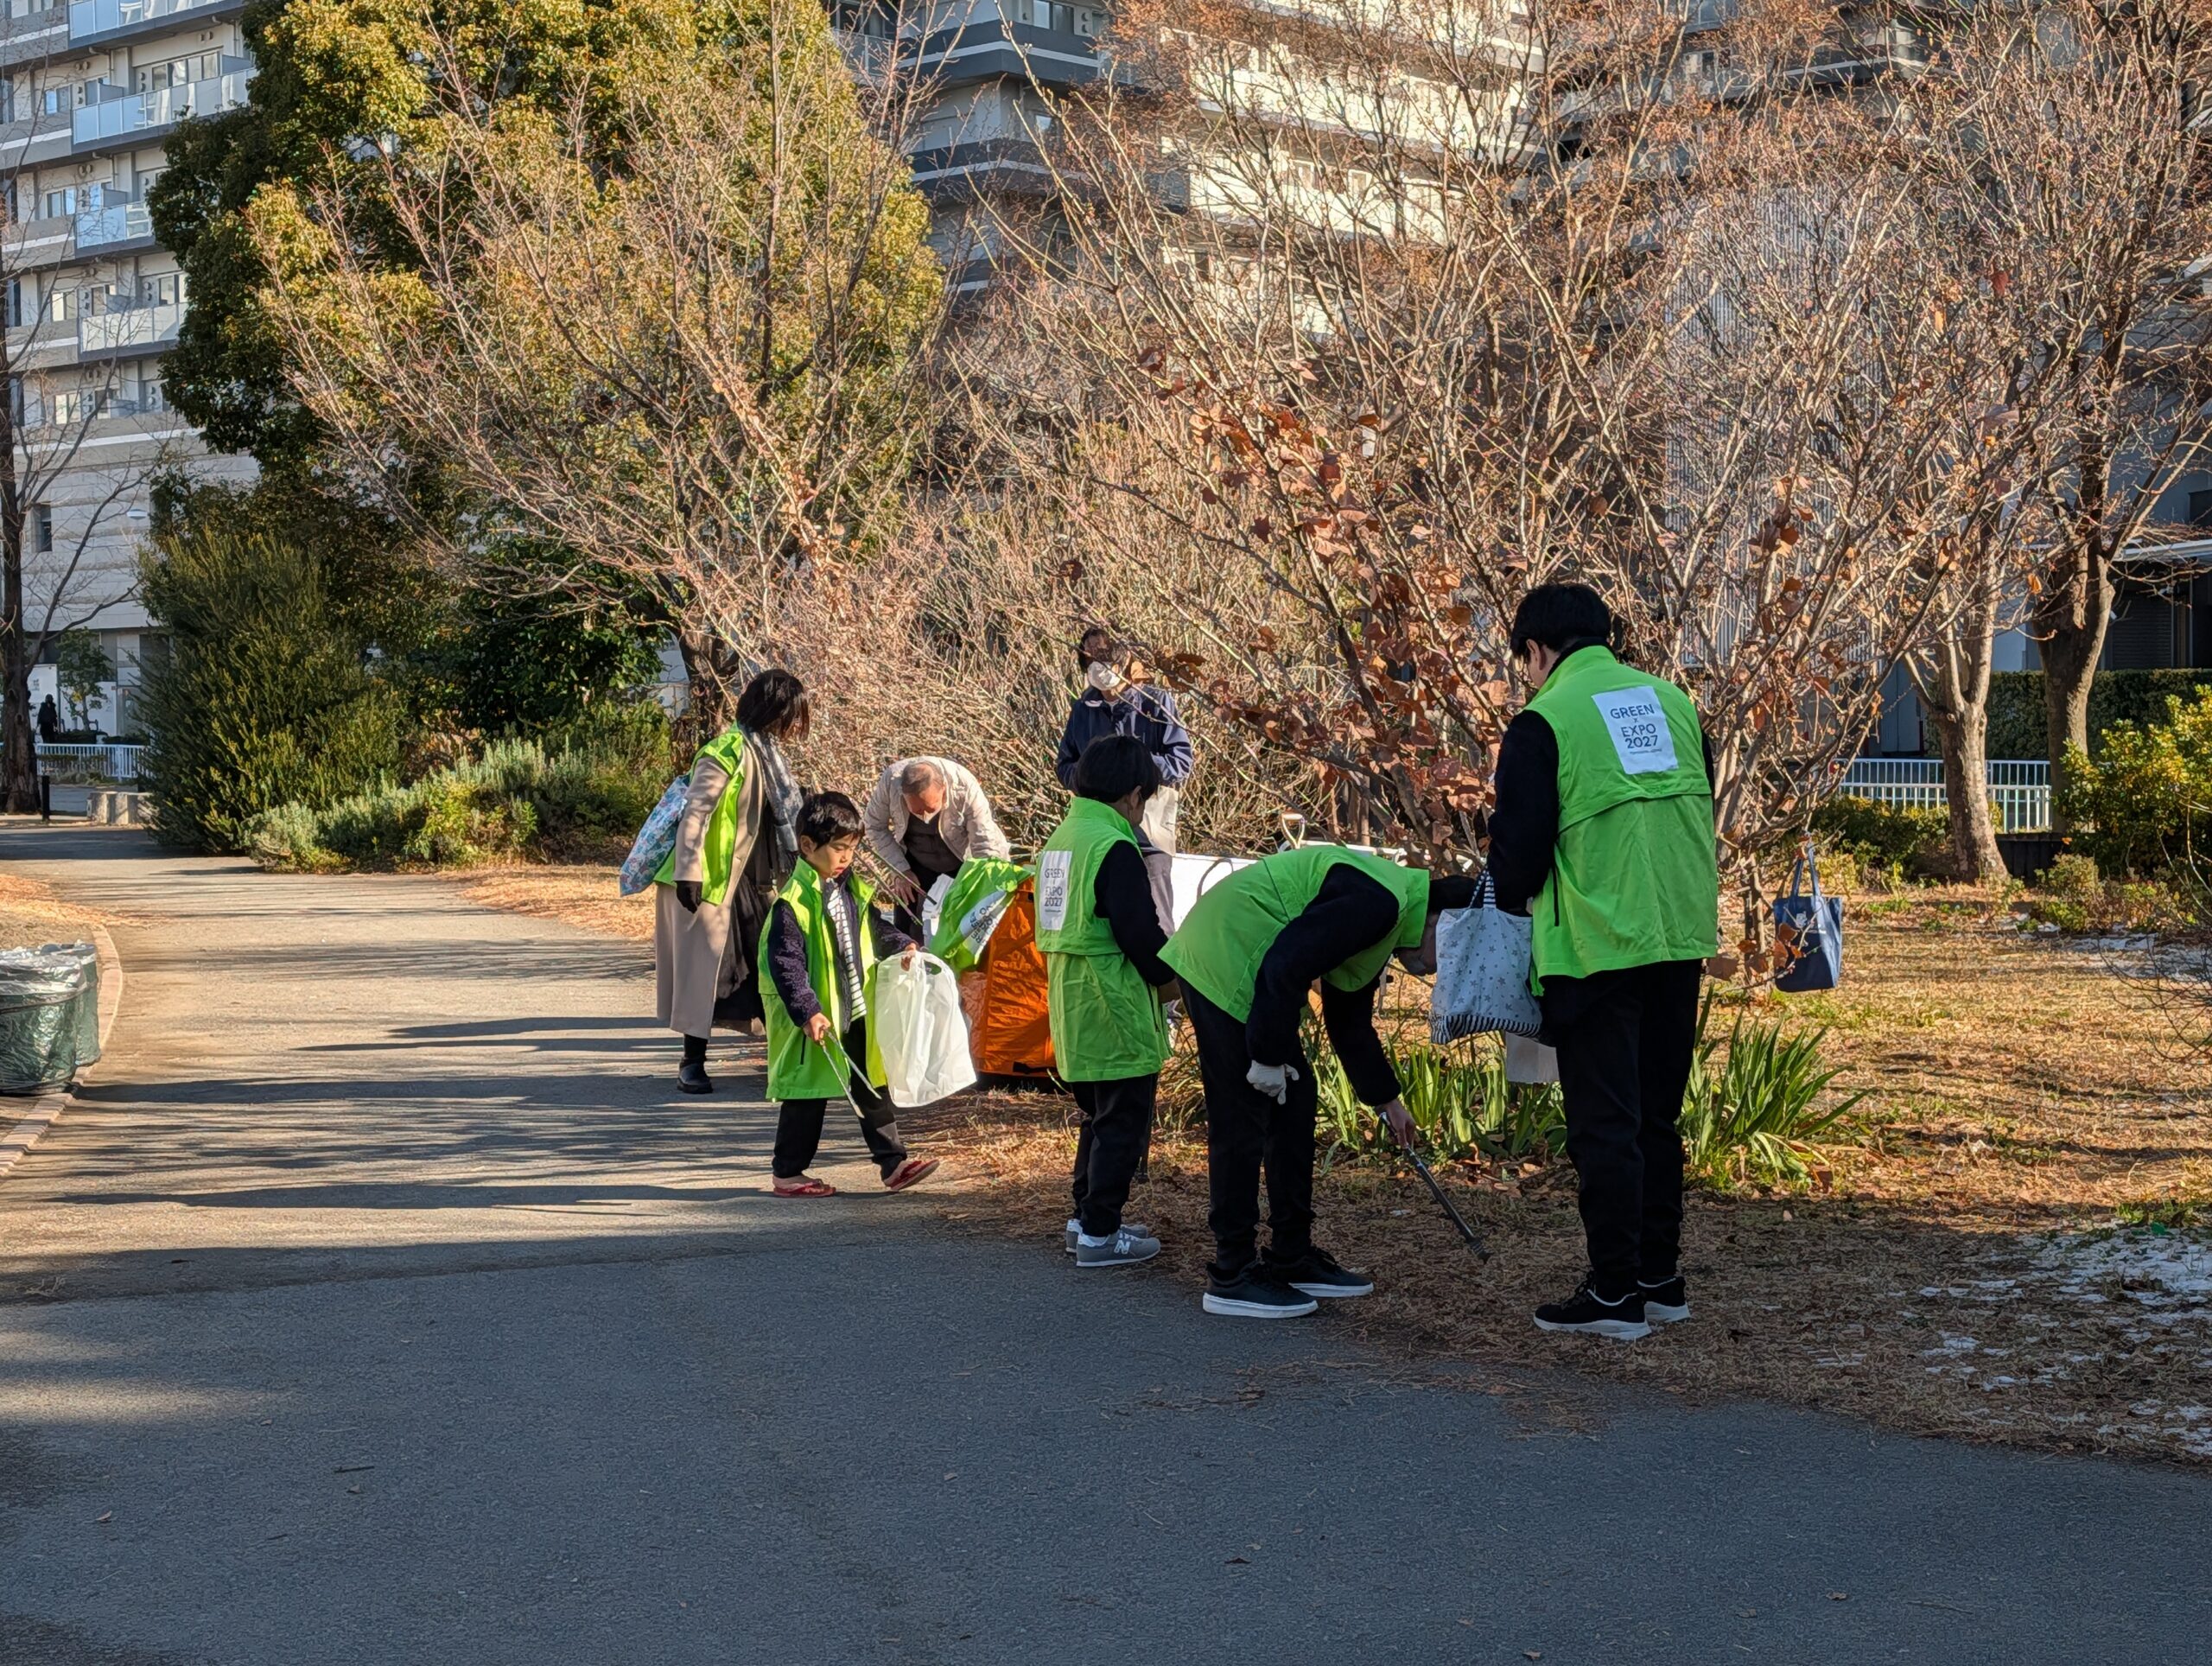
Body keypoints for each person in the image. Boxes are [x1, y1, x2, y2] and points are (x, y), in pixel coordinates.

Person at [1485, 582, 1719, 1342]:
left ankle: (1614, 1295)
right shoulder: (1676, 705)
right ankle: (1659, 1280)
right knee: (1657, 1117)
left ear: (1536, 650)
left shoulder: (1544, 720)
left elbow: (1515, 865)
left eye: (1522, 659)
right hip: (1677, 939)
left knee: (1604, 1127)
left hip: (1594, 947)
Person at [1160, 844, 1477, 1319]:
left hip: (1259, 974)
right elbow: (1285, 964)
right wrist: (1265, 1057)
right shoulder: (1380, 903)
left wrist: (1387, 1100)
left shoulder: (1387, 917)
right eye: (1449, 955)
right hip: (1224, 956)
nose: (1438, 969)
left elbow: (1348, 1022)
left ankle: (1291, 1254)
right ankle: (1232, 1273)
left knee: (1296, 1102)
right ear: (1437, 922)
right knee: (1242, 1119)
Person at [1035, 735, 1180, 1269]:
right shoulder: (1114, 846)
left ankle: (1085, 1220)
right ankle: (1102, 1232)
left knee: (1097, 1115)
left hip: (1069, 995)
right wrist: (1176, 979)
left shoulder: (1062, 838)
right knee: (1123, 1118)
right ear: (1135, 795)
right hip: (1113, 996)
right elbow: (1141, 936)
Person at [758, 791, 940, 1198]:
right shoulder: (793, 903)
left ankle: (894, 1164)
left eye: (852, 849)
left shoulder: (849, 889)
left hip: (854, 1008)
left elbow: (873, 927)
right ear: (808, 846)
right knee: (807, 1098)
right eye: (839, 849)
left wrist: (902, 944)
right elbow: (786, 965)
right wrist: (807, 1011)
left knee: (871, 1085)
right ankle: (788, 1173)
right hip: (819, 1019)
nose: (847, 858)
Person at [654, 669, 810, 1095]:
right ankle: (692, 1062)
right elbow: (696, 813)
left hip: (754, 880)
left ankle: (781, 1057)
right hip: (711, 879)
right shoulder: (725, 750)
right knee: (707, 974)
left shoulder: (768, 754)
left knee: (765, 968)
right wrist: (689, 872)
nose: (794, 725)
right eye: (790, 715)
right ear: (772, 710)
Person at [1055, 626, 1194, 931]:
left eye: (1104, 657)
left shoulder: (1154, 703)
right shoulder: (1082, 709)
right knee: (1100, 916)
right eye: (1090, 659)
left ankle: (1166, 975)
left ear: (1124, 658)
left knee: (1157, 917)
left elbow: (1181, 763)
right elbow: (1064, 765)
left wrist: (1133, 765)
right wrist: (1091, 778)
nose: (1098, 666)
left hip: (1148, 830)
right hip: (1096, 832)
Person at [861, 756, 1013, 933]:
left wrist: (984, 886)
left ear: (943, 789)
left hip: (963, 858)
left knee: (967, 924)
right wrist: (899, 869)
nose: (924, 817)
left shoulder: (964, 785)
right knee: (908, 926)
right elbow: (874, 826)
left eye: (930, 808)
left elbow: (984, 842)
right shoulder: (890, 782)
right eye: (916, 811)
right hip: (914, 860)